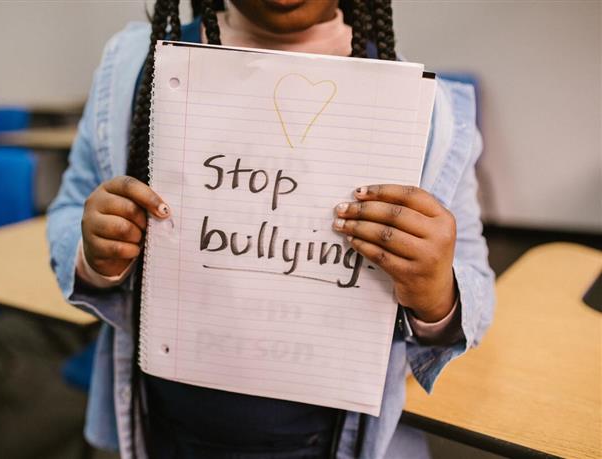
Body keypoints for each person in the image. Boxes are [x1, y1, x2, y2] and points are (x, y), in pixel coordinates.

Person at [47, 0, 495, 458]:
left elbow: (476, 287)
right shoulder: (135, 67)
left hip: (329, 439)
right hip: (163, 420)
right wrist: (94, 253)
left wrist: (436, 294)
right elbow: (69, 208)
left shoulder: (429, 112)